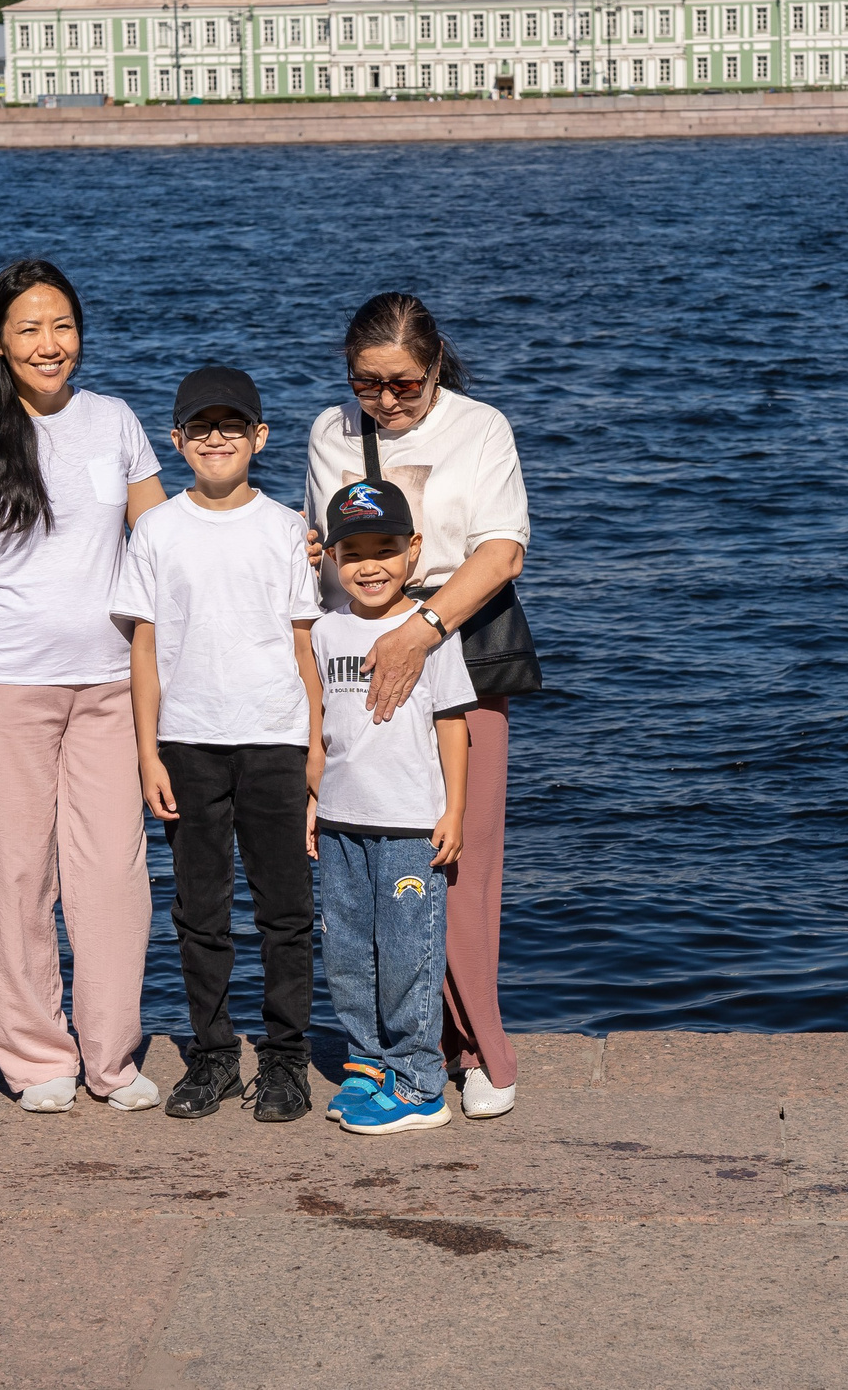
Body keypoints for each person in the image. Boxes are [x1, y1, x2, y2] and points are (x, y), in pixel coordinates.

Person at [0, 259, 166, 1115]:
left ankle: (111, 1057)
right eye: (29, 328)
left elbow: (162, 536)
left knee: (113, 872)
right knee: (21, 873)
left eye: (61, 325)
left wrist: (274, 537)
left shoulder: (115, 421)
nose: (48, 343)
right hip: (6, 687)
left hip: (110, 685)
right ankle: (38, 1059)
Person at [306, 293, 533, 1121]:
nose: (388, 401)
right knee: (369, 871)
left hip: (455, 643)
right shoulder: (330, 429)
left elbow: (503, 549)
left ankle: (480, 1047)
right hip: (355, 659)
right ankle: (412, 1047)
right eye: (369, 384)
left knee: (457, 858)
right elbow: (321, 550)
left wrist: (423, 631)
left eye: (404, 383)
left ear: (435, 363)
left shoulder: (481, 427)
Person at [110, 366, 323, 1125]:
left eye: (234, 425)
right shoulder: (158, 529)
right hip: (188, 744)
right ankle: (212, 1055)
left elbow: (305, 649)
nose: (218, 438)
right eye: (201, 427)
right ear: (177, 441)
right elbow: (144, 648)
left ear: (260, 438)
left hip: (273, 740)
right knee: (199, 910)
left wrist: (316, 750)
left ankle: (288, 1059)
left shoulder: (285, 530)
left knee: (285, 910)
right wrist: (147, 752)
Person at [309, 478, 475, 1136]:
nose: (369, 565)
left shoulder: (430, 631)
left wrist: (454, 809)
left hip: (408, 824)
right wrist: (312, 805)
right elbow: (322, 729)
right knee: (347, 953)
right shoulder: (326, 631)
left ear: (412, 550)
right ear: (332, 559)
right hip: (341, 823)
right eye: (353, 552)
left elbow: (453, 724)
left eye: (384, 548)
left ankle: (420, 1083)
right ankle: (367, 1062)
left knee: (408, 953)